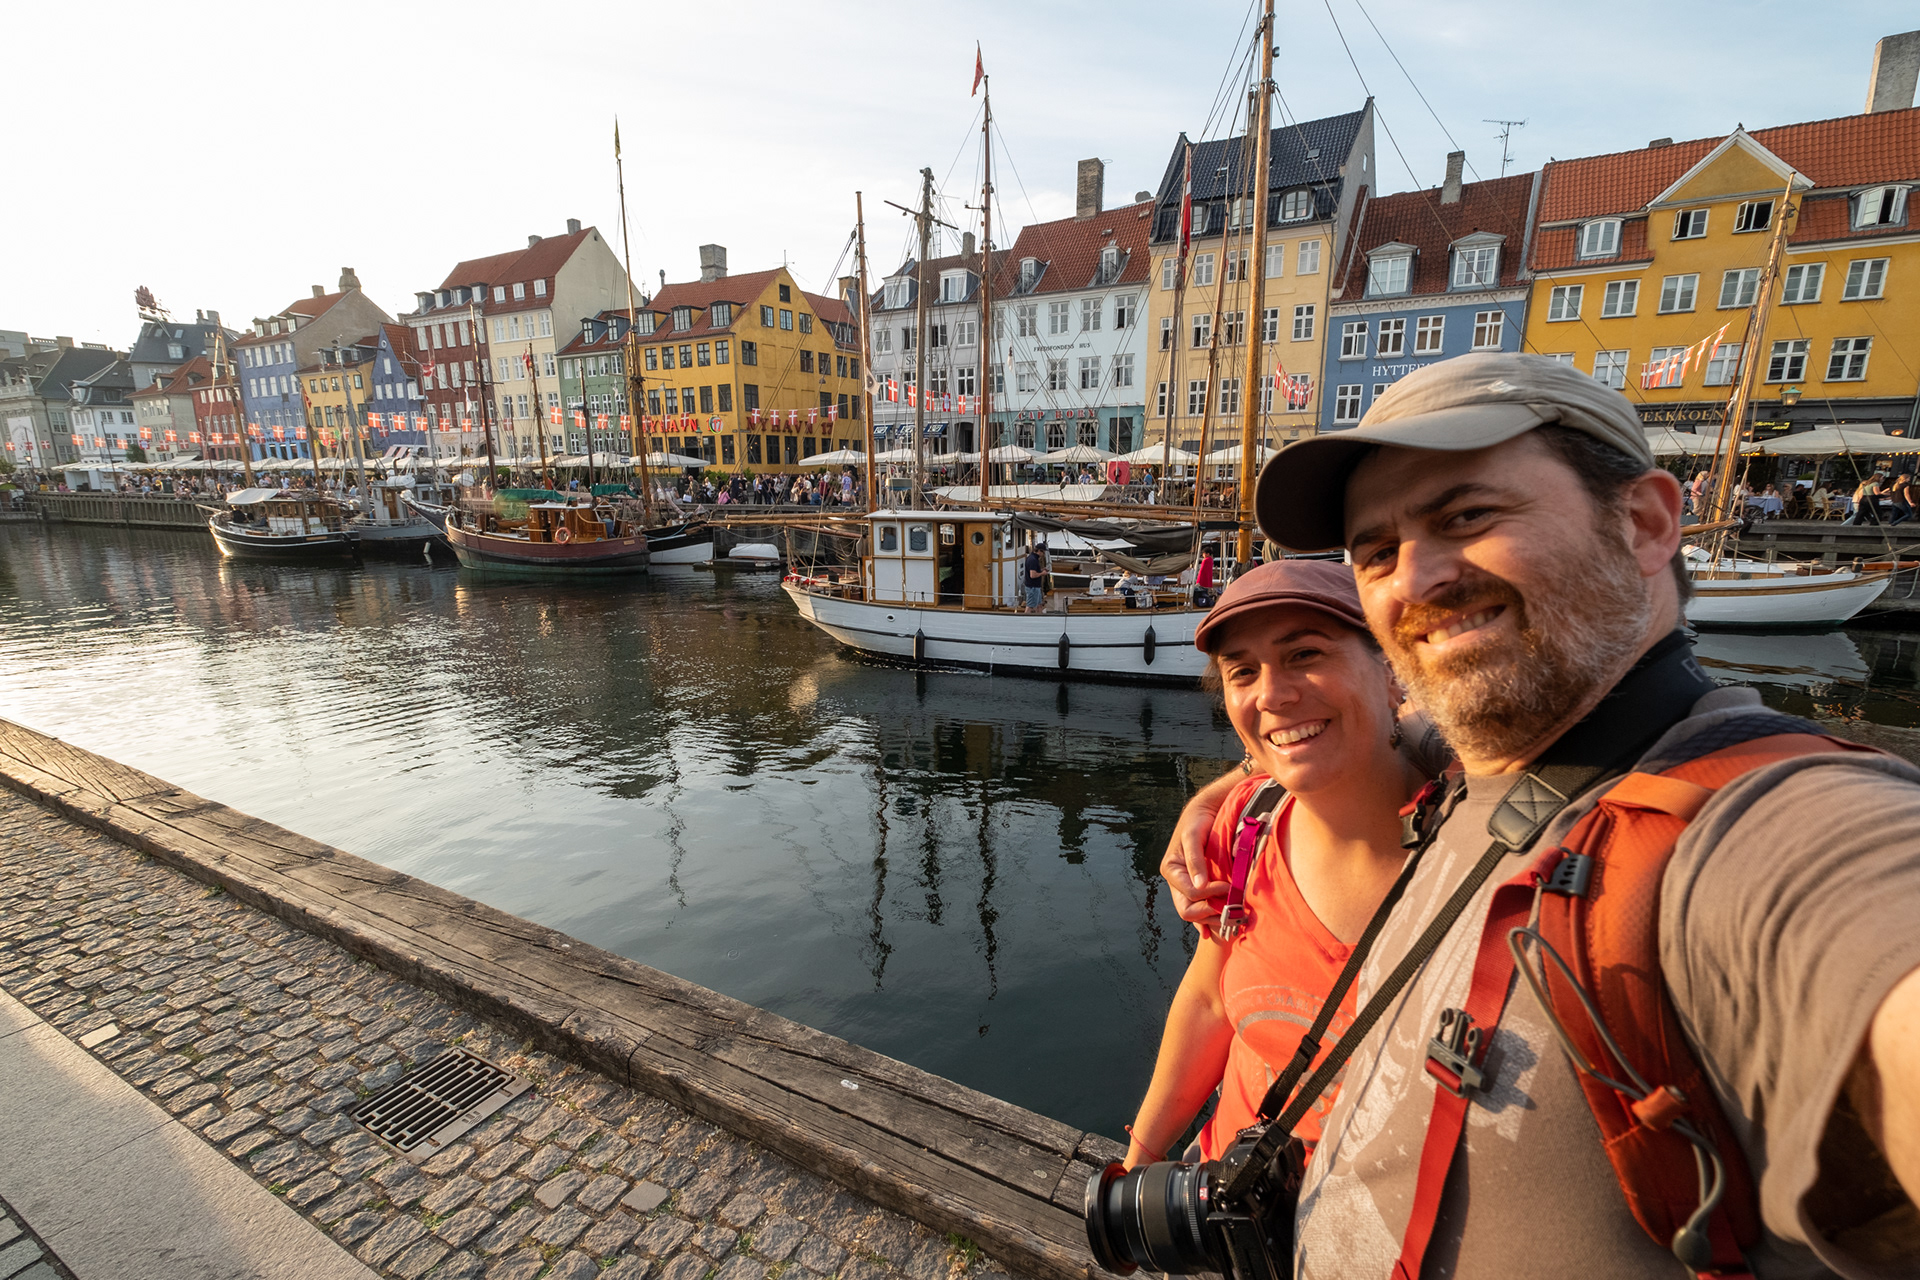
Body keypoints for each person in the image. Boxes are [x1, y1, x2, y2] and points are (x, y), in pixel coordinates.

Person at [1159, 352, 1920, 1278]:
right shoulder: (1474, 769)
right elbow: (1348, 741)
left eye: (1468, 515)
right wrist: (1240, 784)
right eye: (1375, 552)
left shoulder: (1762, 828)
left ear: (1643, 523)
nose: (1416, 580)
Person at [1122, 561, 1428, 1172]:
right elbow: (1210, 999)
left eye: (1306, 653)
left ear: (1392, 669)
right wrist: (1137, 1169)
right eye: (1242, 671)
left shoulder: (1475, 847)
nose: (1271, 694)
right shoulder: (1246, 825)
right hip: (1227, 1211)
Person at [1022, 540, 1046, 613]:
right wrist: (1042, 573)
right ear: (1039, 551)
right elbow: (1032, 575)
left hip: (1035, 587)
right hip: (1032, 587)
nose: (1043, 554)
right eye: (1043, 552)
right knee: (1030, 605)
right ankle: (1025, 619)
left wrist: (1041, 570)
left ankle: (1040, 618)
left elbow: (1034, 570)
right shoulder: (1033, 560)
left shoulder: (1032, 558)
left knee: (1039, 605)